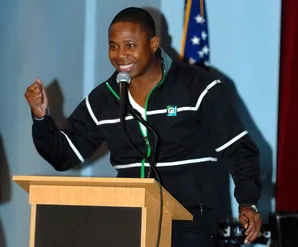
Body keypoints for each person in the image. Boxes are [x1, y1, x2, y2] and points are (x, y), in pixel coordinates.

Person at [24, 7, 262, 247]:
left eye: (130, 45)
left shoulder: (198, 86)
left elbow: (238, 149)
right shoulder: (103, 100)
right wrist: (41, 117)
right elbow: (64, 155)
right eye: (113, 46)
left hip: (191, 222)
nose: (120, 55)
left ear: (154, 43)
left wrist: (247, 203)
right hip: (128, 220)